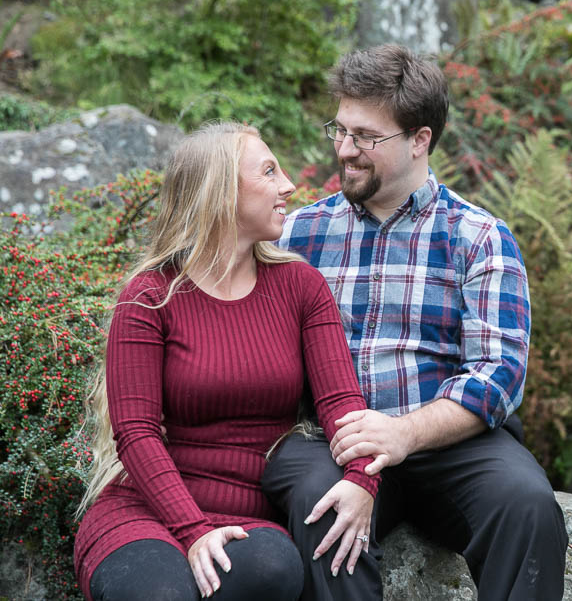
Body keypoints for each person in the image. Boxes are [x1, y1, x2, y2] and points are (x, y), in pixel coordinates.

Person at [263, 44, 568, 601]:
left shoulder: (478, 237)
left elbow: (498, 374)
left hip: (445, 445)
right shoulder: (297, 236)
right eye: (340, 129)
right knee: (320, 506)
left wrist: (405, 433)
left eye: (366, 137)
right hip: (334, 440)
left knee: (527, 505)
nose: (345, 150)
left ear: (419, 139)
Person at [73, 122, 379, 601]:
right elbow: (135, 432)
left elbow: (343, 405)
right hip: (146, 513)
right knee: (160, 594)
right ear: (221, 192)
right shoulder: (150, 296)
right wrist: (192, 530)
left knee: (273, 572)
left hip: (249, 520)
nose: (288, 186)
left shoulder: (302, 289)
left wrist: (363, 481)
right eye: (269, 171)